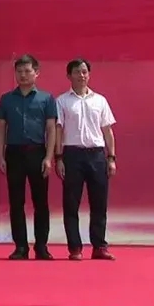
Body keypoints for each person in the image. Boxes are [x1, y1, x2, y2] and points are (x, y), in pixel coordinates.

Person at [0, 54, 57, 260]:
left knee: (41, 203)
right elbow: (1, 128)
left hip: (37, 152)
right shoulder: (6, 99)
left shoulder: (46, 99)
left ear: (36, 73)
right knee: (16, 202)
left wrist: (48, 157)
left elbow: (51, 128)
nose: (23, 75)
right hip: (14, 154)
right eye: (19, 71)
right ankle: (20, 247)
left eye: (27, 71)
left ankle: (41, 246)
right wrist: (1, 156)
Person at [54, 58, 117, 261]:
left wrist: (111, 157)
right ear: (69, 75)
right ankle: (75, 248)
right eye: (77, 72)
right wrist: (58, 157)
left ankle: (99, 246)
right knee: (71, 203)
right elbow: (58, 130)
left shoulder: (100, 100)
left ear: (89, 75)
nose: (81, 75)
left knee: (99, 202)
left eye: (84, 72)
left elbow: (107, 131)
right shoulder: (62, 101)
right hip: (72, 155)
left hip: (97, 155)